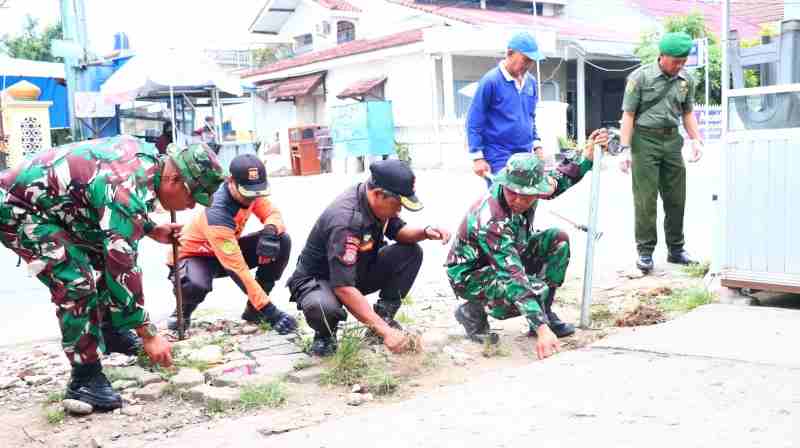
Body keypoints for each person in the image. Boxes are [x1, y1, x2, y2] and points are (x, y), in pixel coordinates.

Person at [0, 135, 225, 411]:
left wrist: (152, 228)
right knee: (75, 282)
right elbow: (122, 265)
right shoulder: (125, 187)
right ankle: (85, 379)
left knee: (104, 253)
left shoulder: (148, 164)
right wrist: (148, 334)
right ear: (175, 180)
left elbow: (114, 212)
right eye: (193, 198)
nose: (192, 207)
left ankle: (112, 329)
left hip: (59, 207)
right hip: (19, 208)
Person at [446, 130, 609, 360]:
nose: (520, 201)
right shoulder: (492, 219)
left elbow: (560, 178)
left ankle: (544, 313)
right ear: (505, 184)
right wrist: (543, 331)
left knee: (557, 240)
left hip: (511, 252)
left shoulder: (532, 188)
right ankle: (472, 311)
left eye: (528, 196)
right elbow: (512, 274)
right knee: (532, 289)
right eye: (514, 193)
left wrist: (587, 158)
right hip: (470, 275)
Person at [287, 160, 450, 356]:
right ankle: (325, 336)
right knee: (322, 307)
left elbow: (397, 231)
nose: (400, 210)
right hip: (321, 280)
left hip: (354, 269)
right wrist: (386, 332)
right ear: (379, 194)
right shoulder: (346, 220)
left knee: (410, 252)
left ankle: (383, 318)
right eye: (398, 204)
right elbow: (343, 287)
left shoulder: (374, 199)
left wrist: (425, 232)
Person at [167, 154, 297, 334]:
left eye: (256, 192)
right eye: (247, 193)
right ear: (231, 181)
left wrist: (270, 231)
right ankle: (183, 311)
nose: (252, 198)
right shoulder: (218, 211)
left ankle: (253, 312)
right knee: (195, 285)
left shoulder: (251, 190)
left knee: (281, 241)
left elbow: (272, 213)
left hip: (225, 251)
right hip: (194, 257)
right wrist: (272, 313)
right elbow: (238, 269)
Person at [618, 32, 703, 273]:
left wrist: (696, 140)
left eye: (684, 61)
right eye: (676, 61)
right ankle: (645, 253)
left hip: (672, 140)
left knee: (676, 198)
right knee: (645, 200)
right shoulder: (640, 78)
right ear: (662, 56)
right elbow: (629, 114)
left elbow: (687, 112)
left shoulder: (686, 79)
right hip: (644, 140)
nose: (680, 66)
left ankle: (676, 249)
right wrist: (625, 149)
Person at [467, 31, 545, 185]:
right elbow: (474, 120)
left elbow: (530, 117)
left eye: (532, 61)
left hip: (524, 154)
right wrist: (477, 157)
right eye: (526, 60)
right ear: (510, 53)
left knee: (526, 199)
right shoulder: (491, 81)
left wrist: (537, 145)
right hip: (498, 154)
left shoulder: (531, 83)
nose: (529, 65)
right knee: (504, 200)